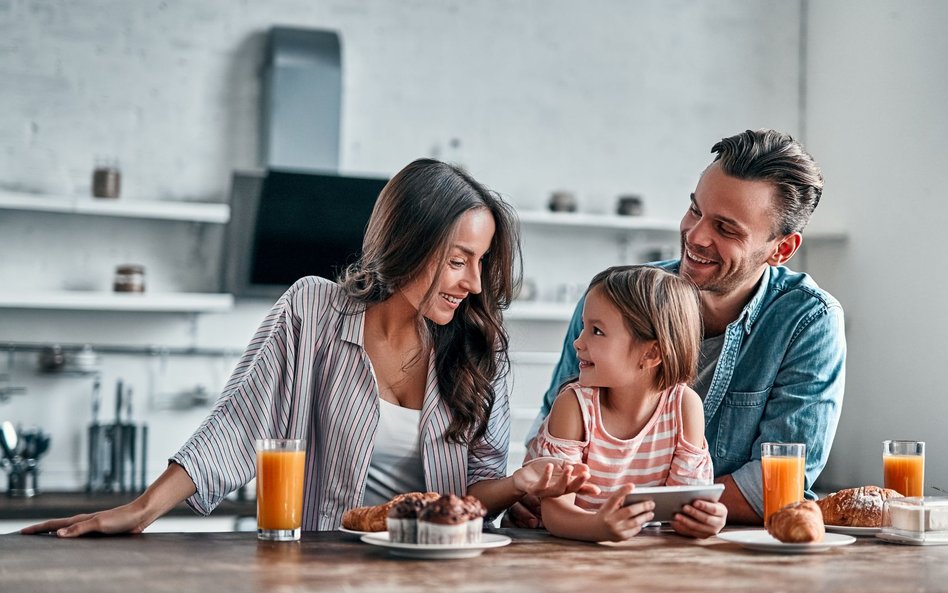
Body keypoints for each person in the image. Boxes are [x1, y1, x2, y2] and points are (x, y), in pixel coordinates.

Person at [23, 158, 594, 537]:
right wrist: (141, 510)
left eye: (480, 262)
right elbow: (240, 420)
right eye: (455, 260)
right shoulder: (314, 311)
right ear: (407, 244)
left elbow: (476, 492)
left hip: (438, 572)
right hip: (321, 564)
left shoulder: (478, 349)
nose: (472, 283)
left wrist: (520, 484)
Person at [508, 129, 846, 527]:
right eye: (695, 210)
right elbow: (554, 430)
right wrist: (540, 493)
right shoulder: (617, 300)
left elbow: (776, 484)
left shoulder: (809, 320)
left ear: (781, 249)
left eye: (727, 229)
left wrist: (611, 509)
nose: (696, 235)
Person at [529, 266, 727, 541]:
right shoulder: (573, 406)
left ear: (652, 352)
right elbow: (556, 514)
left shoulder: (684, 407)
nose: (578, 342)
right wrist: (599, 527)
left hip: (640, 556)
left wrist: (704, 519)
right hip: (566, 552)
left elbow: (683, 510)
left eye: (596, 331)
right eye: (584, 327)